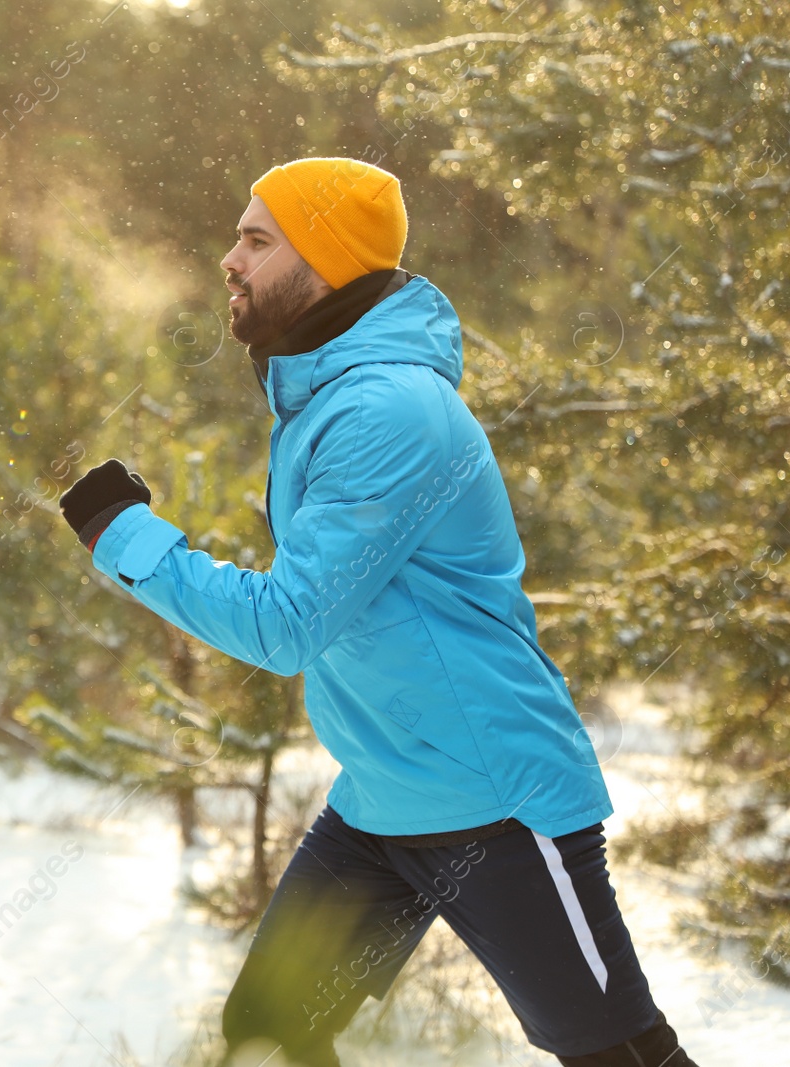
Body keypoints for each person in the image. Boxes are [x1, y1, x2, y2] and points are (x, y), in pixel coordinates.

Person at [58, 157, 698, 1067]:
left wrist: (126, 537)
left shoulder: (388, 410)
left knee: (618, 1053)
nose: (228, 260)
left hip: (498, 803)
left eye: (255, 239)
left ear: (323, 262)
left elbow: (288, 625)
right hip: (384, 794)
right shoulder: (323, 397)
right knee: (272, 1034)